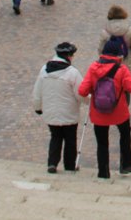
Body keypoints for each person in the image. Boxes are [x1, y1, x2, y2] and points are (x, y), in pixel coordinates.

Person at [77, 37, 131, 179]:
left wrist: (94, 90)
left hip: (98, 113)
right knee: (125, 135)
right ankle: (126, 165)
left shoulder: (93, 68)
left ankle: (103, 172)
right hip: (119, 112)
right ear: (118, 55)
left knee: (102, 143)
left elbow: (82, 91)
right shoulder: (121, 70)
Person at [32, 42, 84, 174]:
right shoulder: (72, 73)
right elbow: (81, 93)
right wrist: (89, 101)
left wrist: (38, 107)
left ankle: (52, 163)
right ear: (69, 56)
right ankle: (70, 166)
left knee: (55, 137)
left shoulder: (44, 70)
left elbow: (37, 91)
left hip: (51, 113)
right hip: (69, 113)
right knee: (70, 140)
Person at [97, 5, 131, 75]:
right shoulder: (129, 30)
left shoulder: (105, 32)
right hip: (128, 66)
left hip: (110, 67)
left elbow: (100, 51)